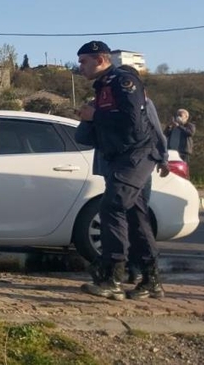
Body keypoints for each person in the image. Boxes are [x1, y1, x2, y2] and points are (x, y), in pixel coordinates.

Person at [75, 41, 161, 300]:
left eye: (83, 62)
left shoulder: (122, 81)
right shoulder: (103, 87)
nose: (80, 68)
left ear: (100, 59)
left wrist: (95, 115)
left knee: (111, 206)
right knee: (135, 214)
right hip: (120, 156)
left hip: (135, 154)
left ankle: (113, 276)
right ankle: (151, 279)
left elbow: (132, 119)